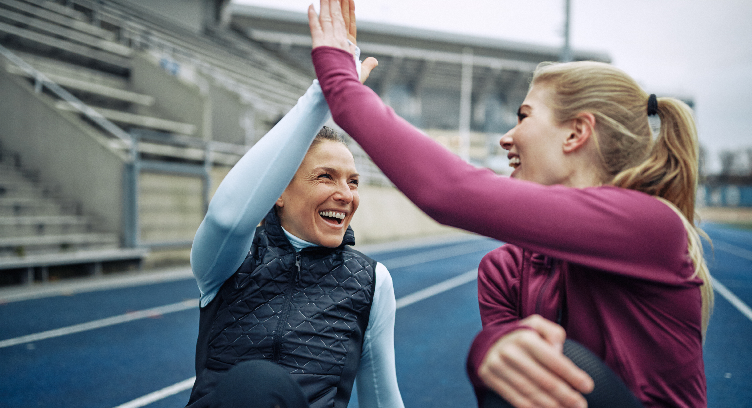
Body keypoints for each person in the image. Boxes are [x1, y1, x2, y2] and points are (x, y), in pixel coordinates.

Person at [306, 1, 713, 407]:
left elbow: (448, 190)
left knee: (558, 357)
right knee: (525, 363)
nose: (506, 138)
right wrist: (489, 347)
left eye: (523, 116)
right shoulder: (504, 270)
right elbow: (501, 371)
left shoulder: (650, 226)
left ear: (576, 133)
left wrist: (342, 85)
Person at [185, 2, 403, 407]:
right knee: (254, 383)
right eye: (326, 177)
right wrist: (325, 91)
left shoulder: (373, 281)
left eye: (353, 182)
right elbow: (228, 218)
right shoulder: (230, 260)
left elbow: (382, 399)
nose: (346, 194)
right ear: (278, 193)